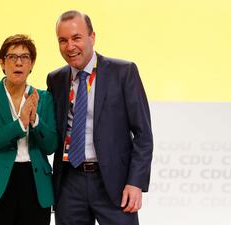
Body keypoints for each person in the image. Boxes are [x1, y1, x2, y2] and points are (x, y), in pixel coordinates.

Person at [47, 10, 153, 225]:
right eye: (63, 40)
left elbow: (143, 134)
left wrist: (135, 183)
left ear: (92, 37)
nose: (70, 47)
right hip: (69, 183)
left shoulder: (124, 72)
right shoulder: (55, 79)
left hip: (115, 185)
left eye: (76, 38)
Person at [0, 34, 58, 225]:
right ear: (2, 62)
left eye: (25, 57)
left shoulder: (43, 98)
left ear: (32, 64)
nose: (19, 63)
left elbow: (50, 146)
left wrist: (35, 121)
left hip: (34, 184)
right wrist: (19, 124)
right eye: (12, 57)